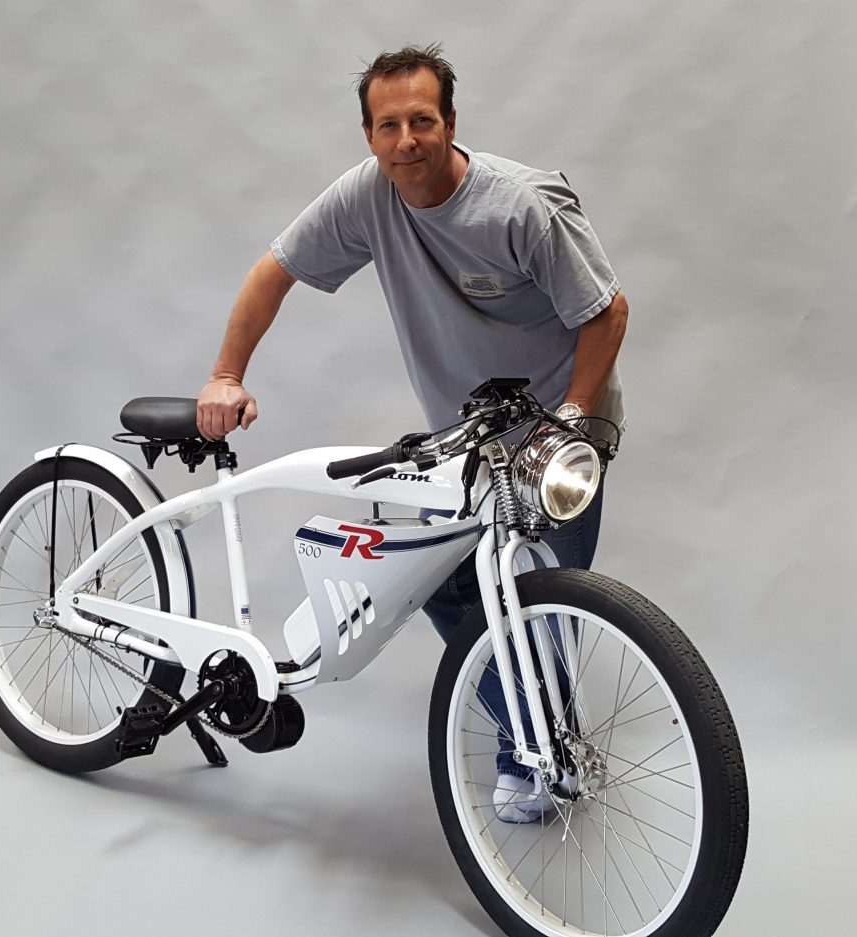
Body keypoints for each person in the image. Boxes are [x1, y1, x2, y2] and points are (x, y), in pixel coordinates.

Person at [196, 44, 628, 822]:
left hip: (558, 426)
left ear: (451, 122)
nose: (407, 142)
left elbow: (606, 311)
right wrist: (226, 373)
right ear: (368, 136)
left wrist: (568, 420)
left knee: (536, 594)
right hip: (466, 438)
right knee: (443, 580)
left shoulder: (520, 205)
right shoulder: (369, 196)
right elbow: (275, 270)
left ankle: (531, 760)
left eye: (422, 121)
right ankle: (529, 721)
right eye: (388, 126)